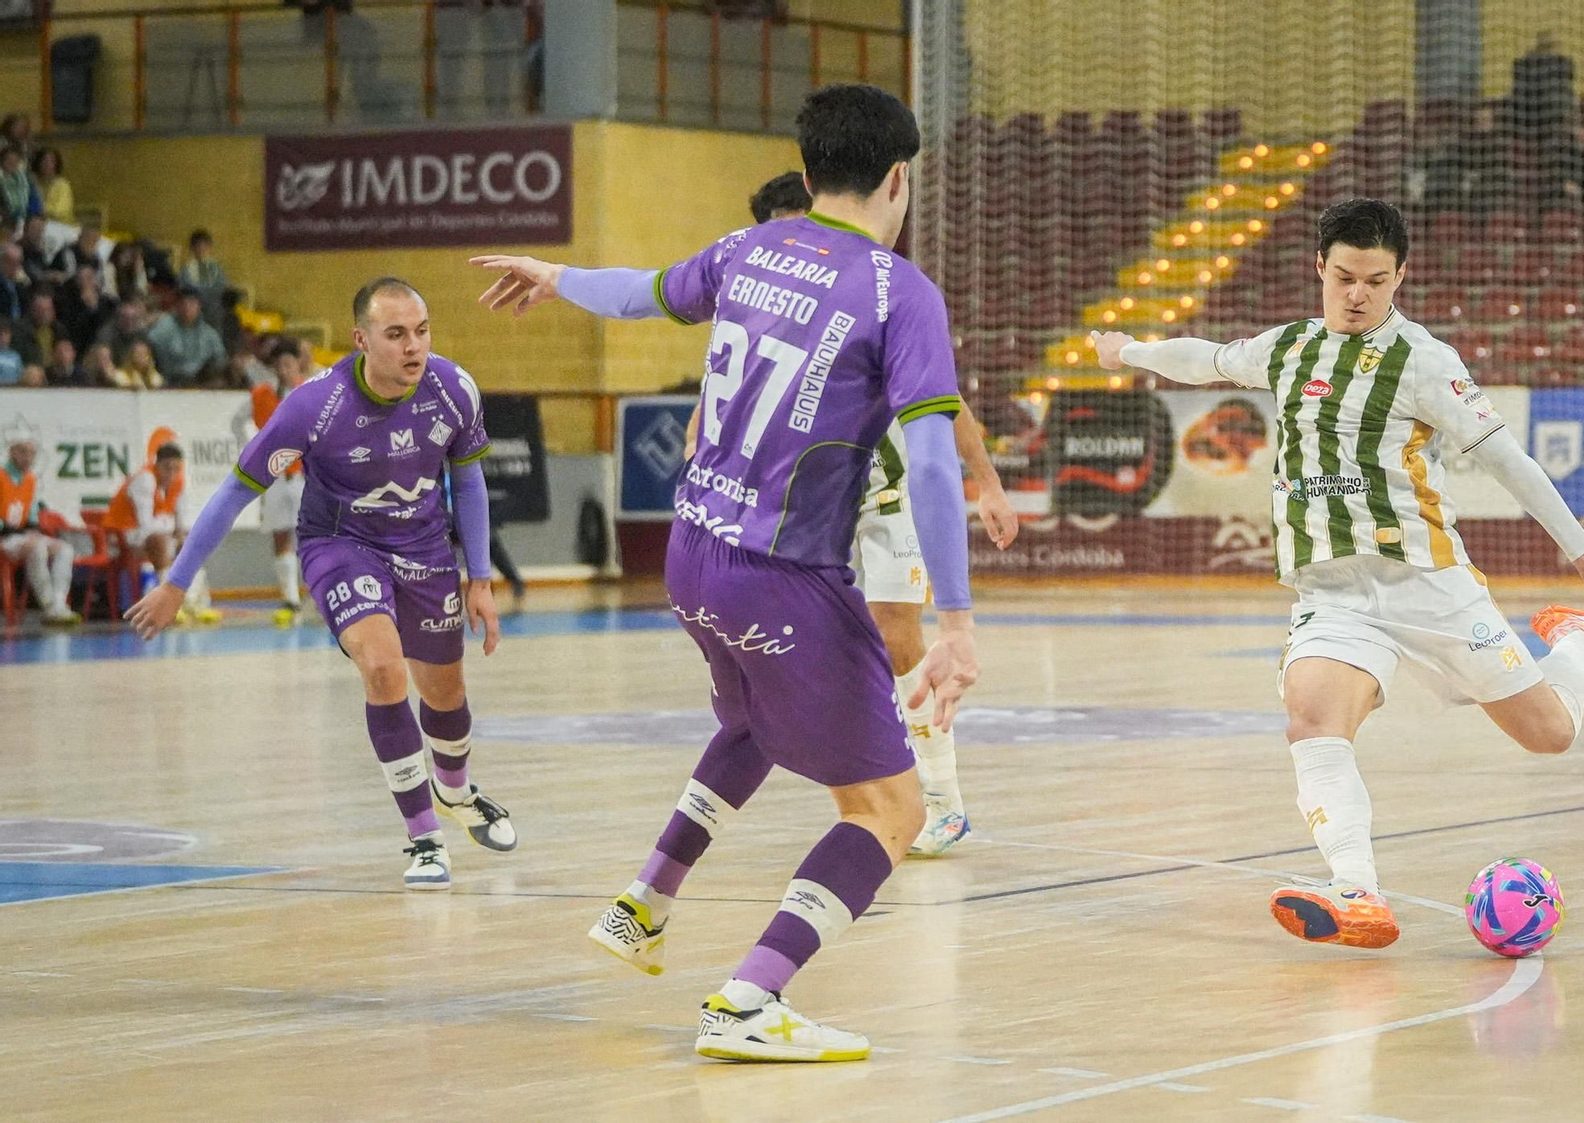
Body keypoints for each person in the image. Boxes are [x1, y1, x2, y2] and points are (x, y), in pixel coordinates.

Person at [471, 83, 978, 1062]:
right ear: (897, 178)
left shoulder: (750, 250)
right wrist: (954, 621)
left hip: (690, 554)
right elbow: (928, 464)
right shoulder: (898, 291)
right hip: (783, 575)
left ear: (807, 169)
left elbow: (639, 292)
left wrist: (556, 274)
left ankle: (643, 903)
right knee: (891, 809)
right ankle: (750, 997)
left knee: (750, 723)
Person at [1093, 198, 1584, 950]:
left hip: (1428, 584)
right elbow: (1206, 358)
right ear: (1320, 267)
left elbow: (1507, 460)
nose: (1357, 295)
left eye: (1376, 281)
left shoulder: (1426, 362)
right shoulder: (1289, 348)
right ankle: (1358, 892)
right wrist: (1130, 353)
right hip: (1332, 592)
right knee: (1312, 718)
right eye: (1345, 277)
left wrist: (1582, 550)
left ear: (1400, 276)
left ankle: (1577, 641)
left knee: (1550, 735)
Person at [125, 278, 513, 889]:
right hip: (341, 546)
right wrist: (177, 582)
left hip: (424, 548)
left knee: (446, 695)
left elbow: (467, 481)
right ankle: (424, 839)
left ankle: (456, 790)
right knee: (383, 669)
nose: (413, 346)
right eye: (395, 334)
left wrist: (481, 579)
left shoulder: (453, 388)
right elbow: (235, 492)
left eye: (421, 331)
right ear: (361, 340)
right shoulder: (313, 406)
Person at [684, 169, 1018, 855]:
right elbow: (713, 410)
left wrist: (986, 481)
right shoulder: (763, 301)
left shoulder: (878, 295)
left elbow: (949, 405)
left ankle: (943, 799)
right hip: (807, 508)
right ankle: (871, 783)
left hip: (888, 497)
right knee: (813, 646)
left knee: (896, 630)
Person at [104, 442, 217, 622]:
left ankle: (195, 603)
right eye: (167, 468)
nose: (171, 473)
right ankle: (168, 605)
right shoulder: (145, 479)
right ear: (157, 465)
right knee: (160, 541)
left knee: (190, 543)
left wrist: (180, 536)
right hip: (124, 536)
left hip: (154, 534)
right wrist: (170, 529)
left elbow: (179, 526)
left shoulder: (179, 483)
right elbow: (145, 525)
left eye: (176, 468)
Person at [243, 337, 313, 626]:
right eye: (279, 365)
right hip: (274, 477)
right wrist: (251, 448)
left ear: (298, 364)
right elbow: (237, 421)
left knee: (316, 537)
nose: (284, 370)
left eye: (289, 364)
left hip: (306, 477)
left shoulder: (311, 392)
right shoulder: (262, 394)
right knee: (280, 536)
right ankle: (290, 599)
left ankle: (323, 596)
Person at [1, 436, 80, 624]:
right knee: (36, 548)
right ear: (12, 452)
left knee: (64, 549)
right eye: (23, 452)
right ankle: (48, 605)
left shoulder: (30, 480)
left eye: (32, 453)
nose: (28, 458)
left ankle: (59, 603)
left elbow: (32, 515)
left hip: (21, 536)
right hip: (5, 537)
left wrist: (33, 529)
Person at [146, 287, 228, 386]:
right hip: (169, 383)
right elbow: (148, 348)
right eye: (184, 303)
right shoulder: (164, 327)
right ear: (177, 306)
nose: (187, 307)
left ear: (199, 306)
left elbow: (220, 359)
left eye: (192, 303)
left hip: (202, 384)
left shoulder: (209, 334)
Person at [0, 146, 39, 230]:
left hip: (26, 219)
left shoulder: (27, 179)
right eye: (9, 160)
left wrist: (30, 217)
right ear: (2, 161)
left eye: (15, 160)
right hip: (5, 221)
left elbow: (34, 201)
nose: (12, 163)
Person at [31, 148, 72, 226]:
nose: (47, 164)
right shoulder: (33, 184)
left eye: (51, 161)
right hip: (37, 225)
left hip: (61, 226)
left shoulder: (62, 185)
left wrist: (41, 209)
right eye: (44, 161)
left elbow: (61, 211)